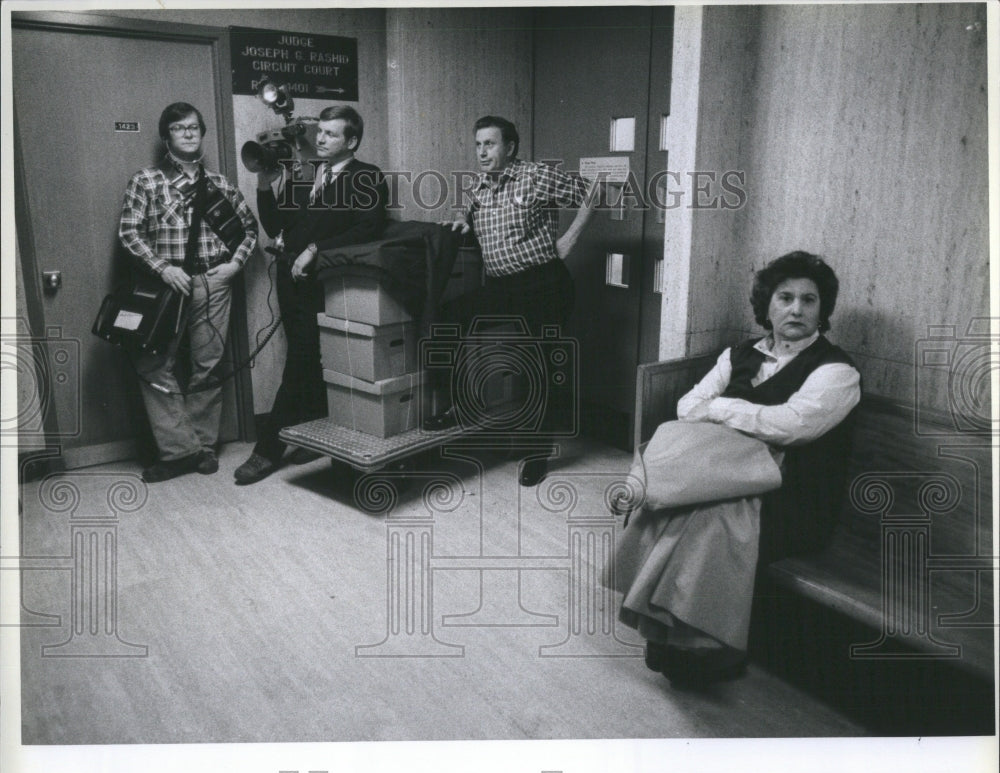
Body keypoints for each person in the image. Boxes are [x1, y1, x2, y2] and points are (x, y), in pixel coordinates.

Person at [608, 251, 861, 686]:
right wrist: (738, 415)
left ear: (823, 310)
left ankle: (704, 650)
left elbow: (793, 427)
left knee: (706, 519)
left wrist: (722, 407)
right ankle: (670, 639)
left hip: (791, 498)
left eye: (809, 300)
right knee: (681, 509)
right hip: (721, 477)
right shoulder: (739, 353)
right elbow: (688, 406)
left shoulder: (836, 371)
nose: (796, 309)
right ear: (767, 305)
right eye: (785, 298)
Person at [430, 115, 601, 486]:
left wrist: (570, 239)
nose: (482, 152)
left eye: (489, 144)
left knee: (539, 366)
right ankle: (457, 405)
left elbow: (593, 191)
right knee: (447, 318)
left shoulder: (535, 175)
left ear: (510, 147)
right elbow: (471, 212)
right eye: (478, 145)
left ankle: (537, 452)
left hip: (544, 285)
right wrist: (462, 218)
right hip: (503, 287)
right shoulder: (479, 186)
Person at [234, 105, 388, 485]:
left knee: (300, 362)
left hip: (326, 283)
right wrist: (265, 184)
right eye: (320, 133)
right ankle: (312, 434)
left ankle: (267, 450)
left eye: (331, 134)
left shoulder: (366, 176)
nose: (320, 139)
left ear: (351, 141)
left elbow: (369, 227)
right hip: (291, 279)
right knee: (306, 360)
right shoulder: (309, 173)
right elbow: (276, 226)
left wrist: (315, 248)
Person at [119, 101, 258, 483]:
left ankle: (204, 447)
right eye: (180, 128)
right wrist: (163, 269)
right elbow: (129, 234)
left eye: (194, 127)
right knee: (152, 366)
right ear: (167, 136)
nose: (189, 133)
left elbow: (249, 229)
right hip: (166, 286)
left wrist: (234, 266)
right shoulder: (146, 180)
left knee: (208, 364)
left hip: (213, 283)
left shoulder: (221, 184)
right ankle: (181, 450)